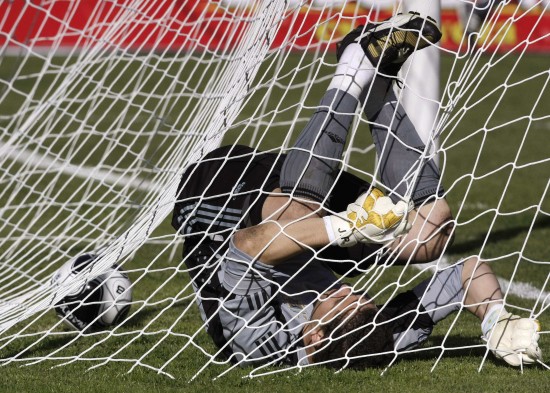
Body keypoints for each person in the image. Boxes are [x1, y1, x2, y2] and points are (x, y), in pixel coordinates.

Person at [171, 12, 542, 368]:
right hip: (308, 216)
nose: (347, 291)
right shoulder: (375, 336)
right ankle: (378, 77)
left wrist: (347, 228)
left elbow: (248, 247)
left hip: (217, 201)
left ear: (313, 336)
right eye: (361, 296)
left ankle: (352, 69)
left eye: (338, 298)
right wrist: (497, 318)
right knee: (432, 232)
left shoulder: (262, 345)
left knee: (295, 217)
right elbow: (465, 274)